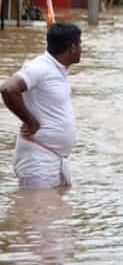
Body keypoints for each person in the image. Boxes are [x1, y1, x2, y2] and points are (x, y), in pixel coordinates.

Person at [1, 23, 82, 188]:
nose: (82, 49)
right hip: (37, 159)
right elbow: (8, 89)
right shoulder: (40, 67)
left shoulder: (58, 69)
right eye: (80, 44)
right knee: (36, 212)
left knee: (55, 211)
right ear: (72, 48)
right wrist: (31, 122)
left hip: (55, 158)